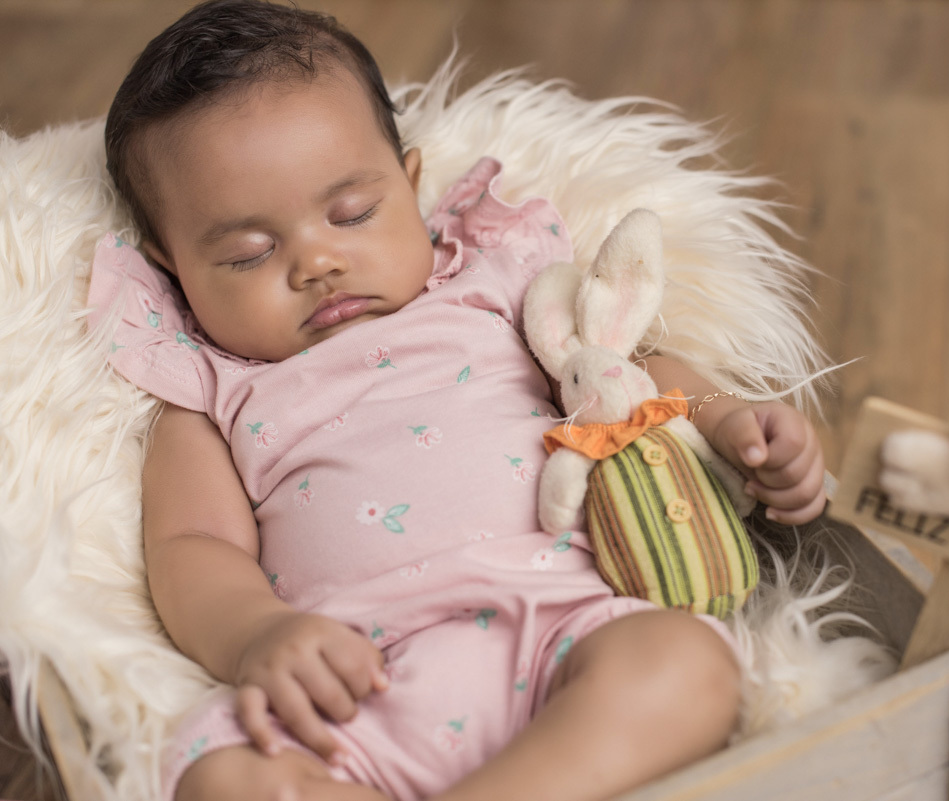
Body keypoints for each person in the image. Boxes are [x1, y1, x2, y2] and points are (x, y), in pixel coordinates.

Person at [90, 1, 828, 799]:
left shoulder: (490, 283)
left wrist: (731, 417)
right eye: (248, 252)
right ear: (174, 264)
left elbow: (625, 368)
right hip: (356, 681)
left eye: (353, 214)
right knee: (225, 775)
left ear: (410, 186)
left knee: (687, 664)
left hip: (564, 624)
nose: (317, 262)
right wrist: (257, 634)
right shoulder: (213, 384)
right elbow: (193, 542)